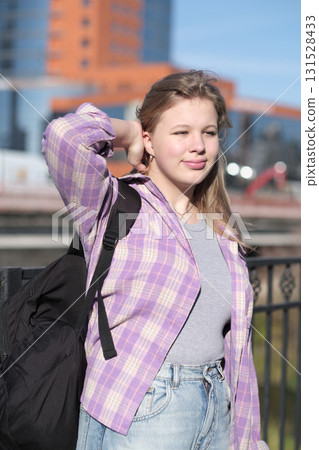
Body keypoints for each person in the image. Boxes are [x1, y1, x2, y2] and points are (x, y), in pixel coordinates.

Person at [42, 70, 268, 450]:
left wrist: (248, 439)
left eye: (208, 133)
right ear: (150, 139)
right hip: (143, 408)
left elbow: (239, 351)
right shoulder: (112, 204)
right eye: (181, 132)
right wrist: (129, 133)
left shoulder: (224, 232)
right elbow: (66, 137)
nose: (198, 145)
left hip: (219, 409)